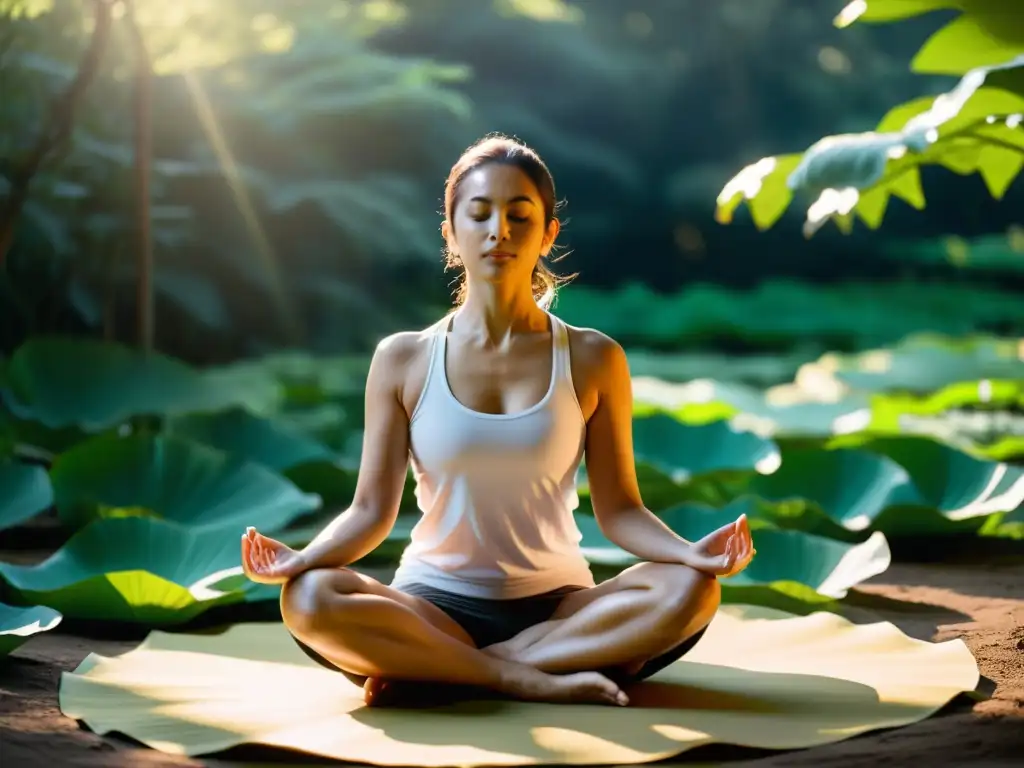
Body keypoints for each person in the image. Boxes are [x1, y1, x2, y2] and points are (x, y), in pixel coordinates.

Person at [241, 133, 755, 708]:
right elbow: (369, 511)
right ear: (451, 230)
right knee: (309, 598)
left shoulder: (593, 357)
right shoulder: (402, 359)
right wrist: (304, 559)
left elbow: (621, 510)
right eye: (480, 213)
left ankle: (448, 671)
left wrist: (688, 553)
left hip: (559, 610)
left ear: (548, 233)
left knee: (691, 592)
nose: (499, 231)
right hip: (430, 608)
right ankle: (518, 677)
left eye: (520, 215)